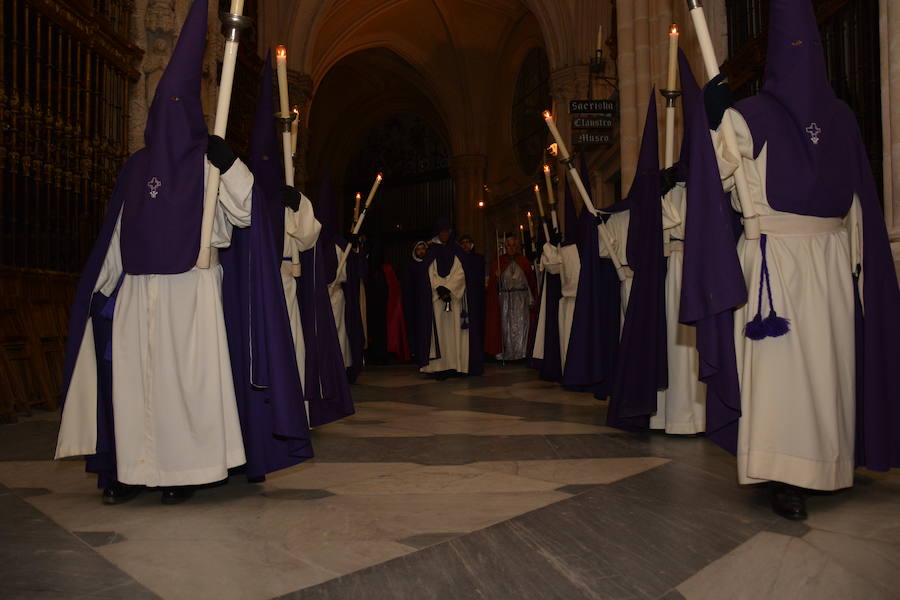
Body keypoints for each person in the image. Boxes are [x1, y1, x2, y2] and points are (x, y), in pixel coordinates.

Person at [682, 0, 900, 520]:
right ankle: (787, 471)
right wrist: (715, 120)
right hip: (791, 262)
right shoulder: (769, 116)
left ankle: (819, 465)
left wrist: (715, 122)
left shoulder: (771, 115)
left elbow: (716, 180)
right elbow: (723, 172)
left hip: (808, 259)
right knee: (794, 371)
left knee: (818, 368)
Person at [56, 0, 251, 504]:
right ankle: (131, 470)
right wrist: (103, 289)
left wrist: (230, 165)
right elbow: (118, 233)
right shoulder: (136, 167)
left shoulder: (208, 163)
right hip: (137, 293)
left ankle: (183, 472)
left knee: (183, 387)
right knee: (135, 385)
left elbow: (246, 212)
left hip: (190, 293)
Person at [219, 54, 316, 483]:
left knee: (288, 350)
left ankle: (294, 413)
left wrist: (298, 208)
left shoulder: (286, 193)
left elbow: (307, 238)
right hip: (247, 287)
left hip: (283, 285)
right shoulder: (237, 186)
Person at [415, 219, 473, 379]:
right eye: (442, 232)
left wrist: (449, 289)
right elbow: (429, 272)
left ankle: (455, 365)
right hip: (437, 299)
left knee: (454, 332)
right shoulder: (431, 251)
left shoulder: (457, 250)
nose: (445, 234)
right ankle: (439, 367)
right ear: (437, 233)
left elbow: (461, 272)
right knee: (439, 333)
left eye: (447, 231)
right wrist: (439, 289)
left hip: (454, 298)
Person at [485, 234, 537, 361]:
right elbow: (494, 287)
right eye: (509, 245)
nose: (511, 248)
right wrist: (497, 278)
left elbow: (531, 283)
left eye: (514, 245)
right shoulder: (499, 262)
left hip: (521, 300)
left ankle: (522, 353)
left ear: (517, 246)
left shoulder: (524, 261)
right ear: (505, 246)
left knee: (522, 326)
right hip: (506, 300)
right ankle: (507, 354)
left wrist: (531, 299)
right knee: (506, 327)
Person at [403, 241, 429, 363]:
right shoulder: (410, 265)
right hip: (415, 303)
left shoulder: (430, 264)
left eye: (423, 248)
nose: (421, 251)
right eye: (418, 249)